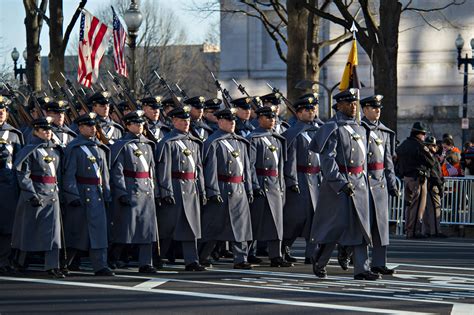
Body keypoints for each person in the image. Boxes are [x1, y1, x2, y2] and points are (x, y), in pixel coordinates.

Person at [309, 88, 377, 280]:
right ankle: (320, 260)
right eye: (349, 103)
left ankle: (362, 269)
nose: (354, 107)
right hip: (338, 186)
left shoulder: (360, 128)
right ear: (339, 105)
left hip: (359, 183)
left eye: (355, 103)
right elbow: (328, 160)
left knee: (361, 226)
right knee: (334, 226)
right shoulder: (332, 127)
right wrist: (339, 182)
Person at [199, 108, 254, 269]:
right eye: (228, 121)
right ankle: (203, 255)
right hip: (221, 188)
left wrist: (249, 189)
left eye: (233, 121)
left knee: (241, 226)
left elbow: (246, 169)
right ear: (220, 122)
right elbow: (210, 170)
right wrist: (213, 190)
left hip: (239, 188)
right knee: (214, 226)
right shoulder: (213, 142)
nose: (232, 124)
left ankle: (241, 259)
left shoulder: (241, 142)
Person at [62, 113, 114, 276]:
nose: (93, 129)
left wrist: (107, 193)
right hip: (81, 192)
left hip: (97, 194)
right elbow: (69, 174)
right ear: (81, 128)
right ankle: (66, 262)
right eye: (89, 126)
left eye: (94, 126)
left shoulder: (100, 147)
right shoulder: (75, 148)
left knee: (99, 232)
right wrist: (72, 195)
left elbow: (104, 174)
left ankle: (101, 265)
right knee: (77, 231)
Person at [155, 106, 207, 271]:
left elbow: (198, 169)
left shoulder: (194, 141)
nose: (186, 123)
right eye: (182, 120)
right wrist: (166, 191)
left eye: (188, 120)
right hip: (175, 187)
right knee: (168, 227)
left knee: (191, 226)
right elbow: (164, 170)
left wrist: (202, 190)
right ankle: (156, 257)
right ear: (174, 121)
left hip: (191, 188)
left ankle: (192, 260)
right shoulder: (168, 142)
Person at [11, 117, 64, 278]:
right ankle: (19, 261)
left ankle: (52, 265)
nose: (48, 132)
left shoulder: (55, 150)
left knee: (53, 232)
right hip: (35, 195)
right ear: (36, 131)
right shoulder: (30, 150)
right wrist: (31, 194)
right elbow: (23, 175)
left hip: (52, 194)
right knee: (28, 230)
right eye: (44, 130)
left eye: (49, 130)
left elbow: (59, 174)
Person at [109, 111, 158, 274]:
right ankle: (113, 257)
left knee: (147, 229)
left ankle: (146, 262)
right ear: (128, 126)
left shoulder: (148, 144)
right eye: (136, 124)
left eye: (141, 124)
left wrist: (155, 190)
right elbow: (118, 171)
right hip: (130, 190)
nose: (139, 126)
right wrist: (122, 192)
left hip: (146, 191)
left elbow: (152, 170)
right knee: (125, 229)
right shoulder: (122, 145)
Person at [247, 106, 291, 267]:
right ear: (259, 119)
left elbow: (280, 166)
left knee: (276, 222)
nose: (272, 120)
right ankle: (248, 253)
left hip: (275, 184)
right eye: (267, 117)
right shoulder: (254, 138)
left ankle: (276, 255)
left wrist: (281, 185)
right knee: (254, 221)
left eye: (273, 117)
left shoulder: (278, 139)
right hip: (260, 182)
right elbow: (249, 165)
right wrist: (254, 184)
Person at [360, 95, 398, 276]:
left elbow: (388, 161)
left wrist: (392, 183)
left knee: (381, 226)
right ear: (364, 110)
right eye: (373, 107)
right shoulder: (360, 129)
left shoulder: (384, 132)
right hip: (364, 182)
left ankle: (379, 262)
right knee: (364, 226)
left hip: (380, 182)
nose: (377, 110)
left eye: (379, 108)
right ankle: (359, 261)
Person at [281, 96, 321, 264]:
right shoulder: (293, 133)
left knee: (316, 218)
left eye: (312, 109)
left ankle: (311, 253)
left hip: (316, 179)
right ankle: (283, 247)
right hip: (300, 178)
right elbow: (290, 159)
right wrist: (292, 181)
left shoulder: (318, 130)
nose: (311, 112)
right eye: (307, 110)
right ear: (298, 113)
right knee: (296, 218)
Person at [396, 122, 436, 239]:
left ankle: (409, 230)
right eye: (423, 133)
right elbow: (431, 161)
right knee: (418, 206)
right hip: (417, 179)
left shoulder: (404, 144)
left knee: (409, 206)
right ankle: (414, 231)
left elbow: (397, 158)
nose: (424, 136)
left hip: (406, 178)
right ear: (419, 134)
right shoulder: (420, 146)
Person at [0, 95, 24, 275]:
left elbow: (19, 163)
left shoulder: (14, 135)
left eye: (3, 111)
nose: (1, 114)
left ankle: (4, 260)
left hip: (7, 186)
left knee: (7, 226)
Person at [422, 136, 447, 238]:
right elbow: (434, 174)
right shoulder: (430, 157)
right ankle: (435, 231)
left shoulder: (427, 156)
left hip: (429, 185)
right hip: (432, 185)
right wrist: (440, 186)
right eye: (433, 145)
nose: (435, 147)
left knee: (427, 210)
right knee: (435, 209)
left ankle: (427, 231)